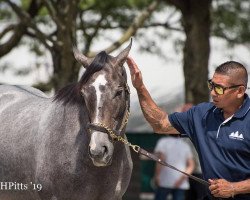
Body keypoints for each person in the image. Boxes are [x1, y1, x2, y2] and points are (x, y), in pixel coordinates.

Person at [126, 57, 250, 200]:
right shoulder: (201, 113)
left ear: (240, 91)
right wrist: (140, 88)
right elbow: (161, 124)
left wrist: (234, 188)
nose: (213, 93)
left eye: (220, 88)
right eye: (212, 85)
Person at [154, 135, 195, 200]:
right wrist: (181, 179)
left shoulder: (163, 142)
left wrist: (157, 176)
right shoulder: (185, 145)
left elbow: (161, 161)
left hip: (164, 181)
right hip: (181, 184)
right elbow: (191, 165)